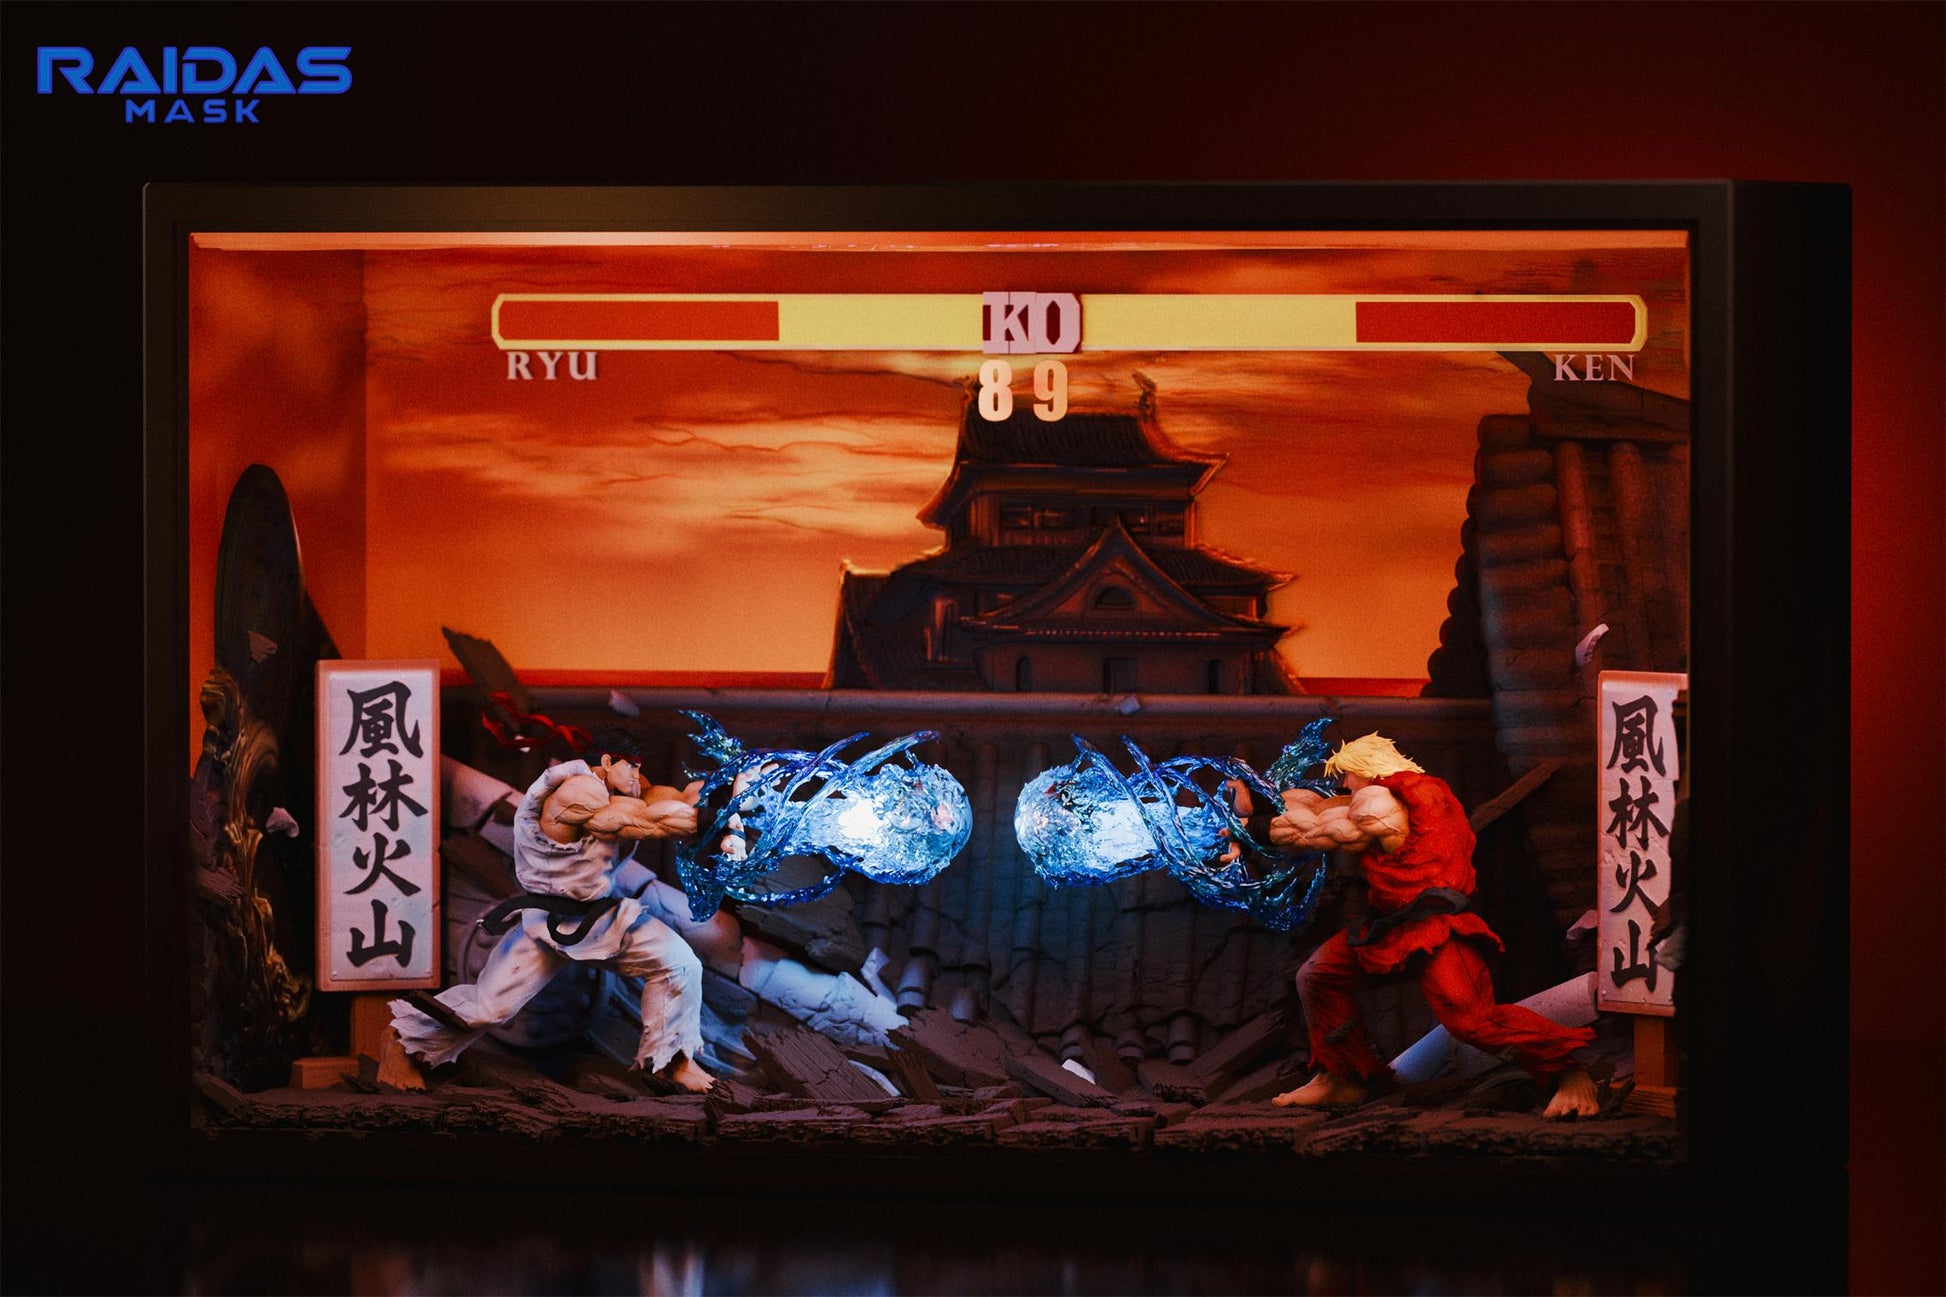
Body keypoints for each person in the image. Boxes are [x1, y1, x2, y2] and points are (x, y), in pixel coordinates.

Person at [1266, 733, 1599, 1119]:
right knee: (1318, 975)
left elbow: (1314, 829)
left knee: (1473, 1023)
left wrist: (1250, 830)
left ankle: (1568, 1071)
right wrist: (1254, 805)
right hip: (1393, 928)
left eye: (1347, 776)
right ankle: (1341, 1076)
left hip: (1435, 929)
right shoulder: (1392, 794)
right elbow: (1320, 808)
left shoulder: (1389, 799)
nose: (1344, 784)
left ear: (1366, 770)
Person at [390, 729, 716, 1092]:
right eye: (632, 767)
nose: (638, 777)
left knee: (679, 963)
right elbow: (634, 822)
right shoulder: (576, 792)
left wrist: (726, 794)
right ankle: (403, 1042)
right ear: (607, 761)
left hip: (601, 918)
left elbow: (675, 799)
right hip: (549, 922)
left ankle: (672, 1062)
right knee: (489, 1009)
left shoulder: (622, 786)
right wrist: (704, 821)